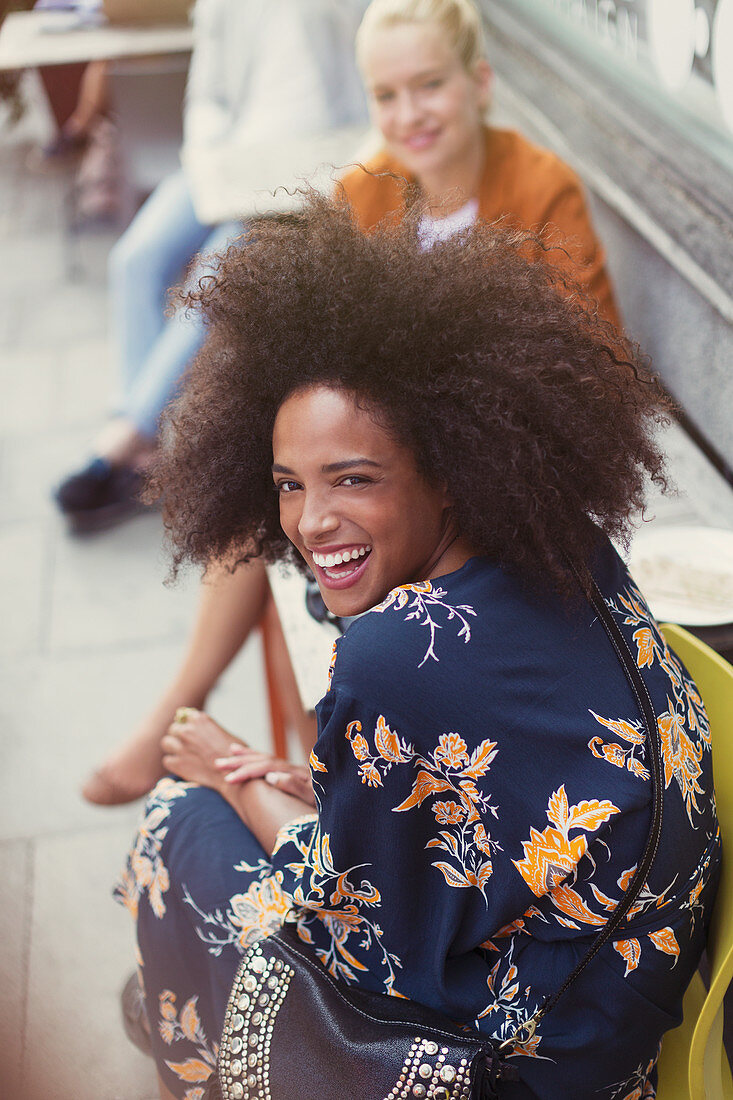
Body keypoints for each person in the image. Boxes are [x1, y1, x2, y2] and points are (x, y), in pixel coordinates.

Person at [117, 194, 718, 1100]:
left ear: (446, 466)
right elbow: (479, 805)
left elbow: (364, 936)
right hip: (609, 1015)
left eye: (352, 479)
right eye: (287, 484)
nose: (311, 523)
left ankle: (189, 1030)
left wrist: (238, 781)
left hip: (509, 1070)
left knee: (179, 821)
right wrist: (330, 796)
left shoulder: (397, 652)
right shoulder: (558, 542)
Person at [83, 0, 624, 807]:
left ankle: (335, 778)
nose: (407, 114)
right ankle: (197, 709)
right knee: (277, 488)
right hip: (379, 474)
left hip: (488, 482)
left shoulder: (539, 187)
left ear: (477, 82)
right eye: (385, 94)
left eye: (428, 85)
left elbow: (582, 366)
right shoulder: (363, 193)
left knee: (339, 520)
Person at [54, 0, 368, 532]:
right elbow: (208, 93)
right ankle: (143, 445)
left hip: (307, 172)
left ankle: (127, 436)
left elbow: (360, 92)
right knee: (135, 257)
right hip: (230, 159)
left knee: (216, 273)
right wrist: (212, 156)